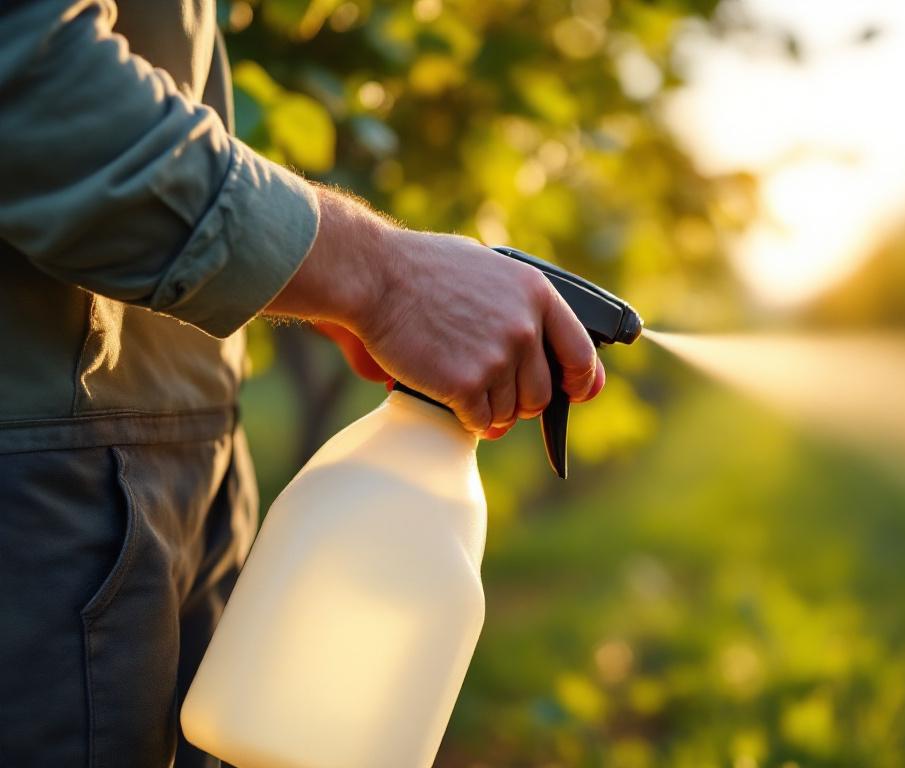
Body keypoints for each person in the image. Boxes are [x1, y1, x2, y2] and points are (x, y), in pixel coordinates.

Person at [0, 1, 605, 765]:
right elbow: (25, 68)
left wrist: (311, 276)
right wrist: (383, 278)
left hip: (172, 454)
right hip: (46, 489)